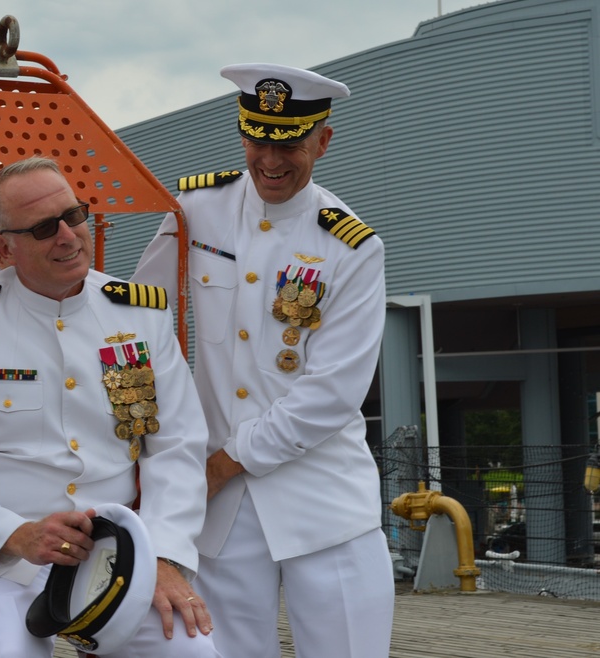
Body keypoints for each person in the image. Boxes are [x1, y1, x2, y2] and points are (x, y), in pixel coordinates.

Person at [0, 156, 219, 657]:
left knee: (190, 650)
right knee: (11, 653)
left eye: (74, 216)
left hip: (111, 557)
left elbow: (177, 448)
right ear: (1, 249)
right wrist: (18, 535)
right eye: (43, 228)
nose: (68, 236)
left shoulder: (140, 316)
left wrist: (163, 556)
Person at [133, 63, 395, 657]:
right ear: (242, 133)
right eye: (258, 140)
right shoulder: (196, 209)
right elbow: (141, 327)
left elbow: (333, 392)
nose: (271, 160)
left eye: (290, 144)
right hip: (218, 516)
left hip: (323, 506)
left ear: (323, 141)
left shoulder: (351, 247)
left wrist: (224, 464)